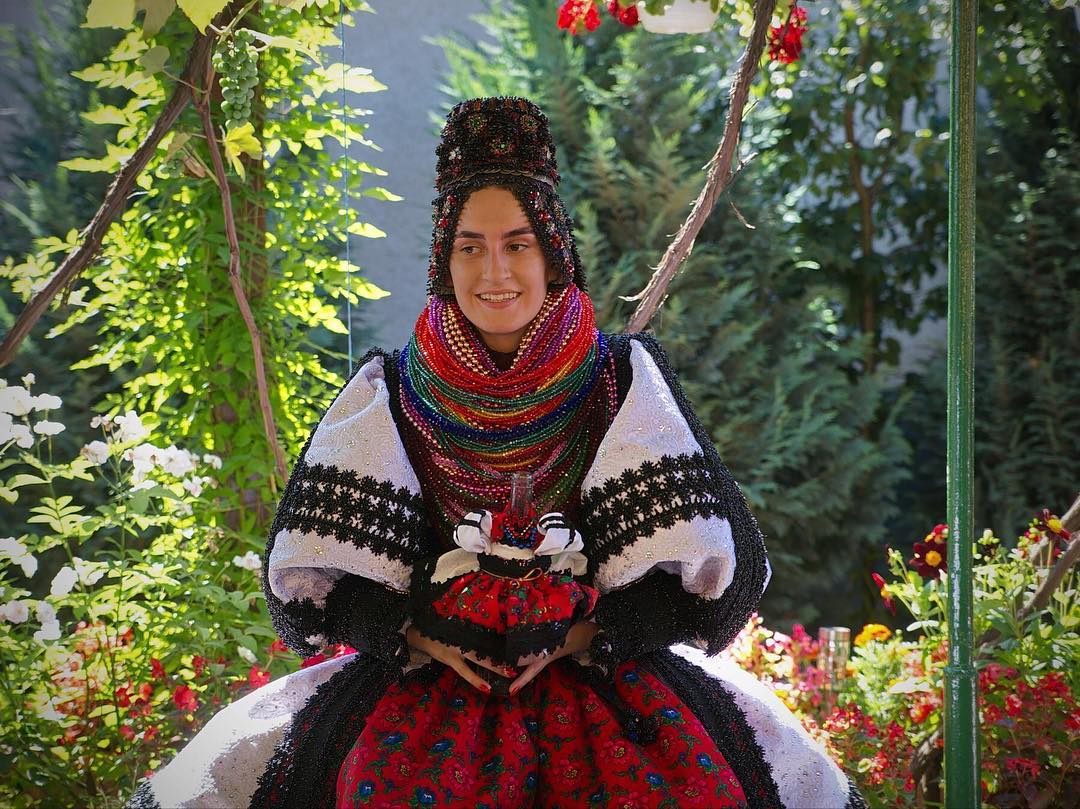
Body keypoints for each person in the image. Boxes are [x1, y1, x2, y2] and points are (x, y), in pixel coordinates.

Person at [128, 96, 866, 809]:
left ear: (553, 254)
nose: (494, 272)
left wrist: (581, 634)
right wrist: (420, 633)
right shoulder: (388, 392)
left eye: (518, 244)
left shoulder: (623, 380)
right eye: (470, 247)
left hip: (603, 676)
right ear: (443, 260)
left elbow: (719, 574)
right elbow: (314, 582)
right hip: (426, 684)